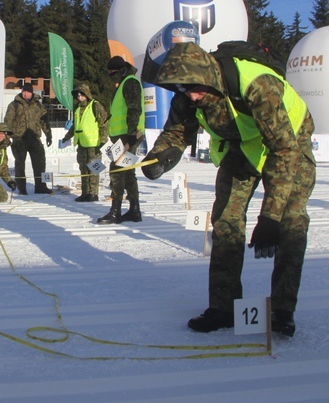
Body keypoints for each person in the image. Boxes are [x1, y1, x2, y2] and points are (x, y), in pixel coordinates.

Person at [141, 42, 316, 337]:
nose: (192, 96)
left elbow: (283, 151)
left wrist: (270, 217)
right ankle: (223, 307)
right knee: (226, 223)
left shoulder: (258, 86)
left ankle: (282, 311)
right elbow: (176, 132)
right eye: (185, 90)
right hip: (243, 147)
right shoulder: (187, 93)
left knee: (291, 224)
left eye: (197, 88)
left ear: (209, 75)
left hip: (290, 145)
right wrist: (160, 156)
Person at [97, 56, 145, 224]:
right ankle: (134, 210)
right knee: (128, 172)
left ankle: (115, 211)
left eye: (112, 73)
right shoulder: (124, 83)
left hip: (129, 135)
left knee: (116, 170)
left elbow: (134, 109)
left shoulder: (130, 83)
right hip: (123, 136)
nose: (111, 77)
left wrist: (131, 135)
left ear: (119, 71)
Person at [61, 82, 108, 202]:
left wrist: (103, 141)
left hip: (94, 144)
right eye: (77, 95)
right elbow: (75, 126)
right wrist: (67, 137)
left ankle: (93, 193)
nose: (79, 96)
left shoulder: (95, 105)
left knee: (94, 168)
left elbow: (103, 124)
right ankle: (85, 192)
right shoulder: (77, 108)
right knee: (83, 168)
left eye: (81, 94)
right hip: (81, 143)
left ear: (87, 94)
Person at [3, 82, 53, 195]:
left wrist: (48, 134)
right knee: (20, 164)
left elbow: (44, 121)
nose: (26, 94)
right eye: (24, 92)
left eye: (28, 92)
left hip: (34, 138)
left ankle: (41, 186)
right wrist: (7, 136)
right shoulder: (14, 105)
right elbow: (8, 121)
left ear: (32, 93)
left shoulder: (38, 105)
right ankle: (22, 188)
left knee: (40, 163)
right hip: (19, 139)